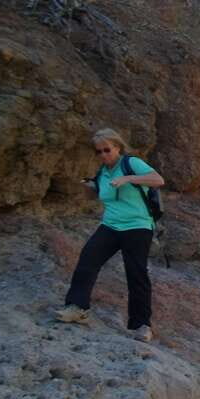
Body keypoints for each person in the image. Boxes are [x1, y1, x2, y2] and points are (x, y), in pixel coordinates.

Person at [56, 128, 165, 342]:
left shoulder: (131, 163)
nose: (103, 155)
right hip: (110, 225)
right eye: (99, 151)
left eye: (107, 150)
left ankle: (141, 325)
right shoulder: (103, 172)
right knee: (88, 260)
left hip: (137, 225)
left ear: (117, 147)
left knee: (136, 273)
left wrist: (128, 179)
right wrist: (88, 186)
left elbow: (158, 180)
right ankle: (77, 308)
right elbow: (100, 194)